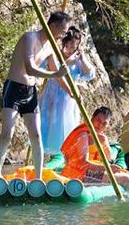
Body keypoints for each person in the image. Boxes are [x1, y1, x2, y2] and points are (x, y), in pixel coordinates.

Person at [0, 12, 71, 181]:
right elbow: (30, 68)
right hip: (14, 88)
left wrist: (71, 91)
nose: (63, 36)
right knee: (7, 134)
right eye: (63, 31)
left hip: (30, 92)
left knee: (36, 135)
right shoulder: (30, 38)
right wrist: (54, 73)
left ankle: (38, 178)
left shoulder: (51, 46)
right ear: (53, 26)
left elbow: (57, 74)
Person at [39, 27, 96, 163]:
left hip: (69, 97)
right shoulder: (55, 54)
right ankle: (42, 160)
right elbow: (51, 69)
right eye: (69, 44)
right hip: (53, 93)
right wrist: (68, 60)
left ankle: (66, 160)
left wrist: (82, 58)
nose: (71, 48)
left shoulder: (78, 59)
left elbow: (90, 74)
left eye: (74, 45)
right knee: (48, 124)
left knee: (66, 127)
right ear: (64, 42)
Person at [60, 107, 129, 190]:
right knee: (127, 180)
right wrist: (108, 168)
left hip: (89, 171)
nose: (100, 125)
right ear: (91, 119)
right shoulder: (83, 135)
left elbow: (108, 158)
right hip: (76, 174)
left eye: (104, 123)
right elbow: (84, 164)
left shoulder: (99, 136)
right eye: (98, 120)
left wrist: (105, 142)